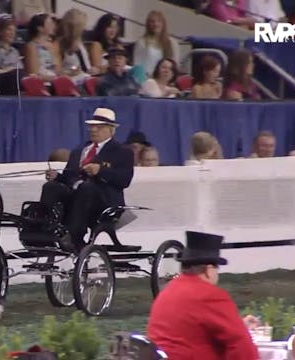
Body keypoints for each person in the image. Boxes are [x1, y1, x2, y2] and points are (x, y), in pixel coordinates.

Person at [147, 231, 260, 359]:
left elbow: (191, 331)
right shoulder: (210, 295)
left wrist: (239, 325)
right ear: (208, 270)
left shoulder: (167, 292)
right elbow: (243, 347)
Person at [41, 108, 134, 252]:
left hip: (104, 202)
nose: (93, 130)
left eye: (99, 127)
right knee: (51, 186)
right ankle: (44, 229)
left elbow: (124, 180)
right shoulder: (80, 151)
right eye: (92, 126)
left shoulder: (122, 151)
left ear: (111, 130)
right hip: (77, 198)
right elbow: (69, 177)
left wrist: (100, 171)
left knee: (86, 187)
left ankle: (76, 235)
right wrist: (57, 177)